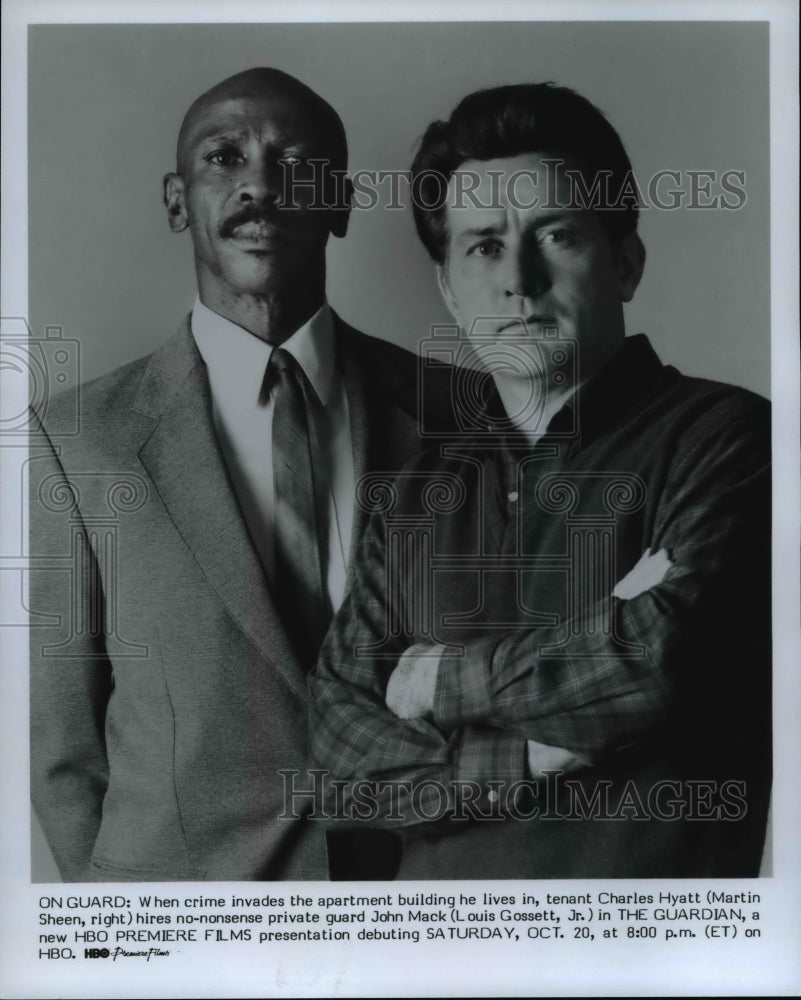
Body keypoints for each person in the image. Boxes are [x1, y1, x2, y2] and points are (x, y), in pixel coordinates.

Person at [309, 83, 771, 879]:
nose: (518, 279)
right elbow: (340, 757)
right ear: (452, 292)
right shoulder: (416, 492)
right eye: (483, 246)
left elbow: (660, 661)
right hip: (434, 959)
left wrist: (436, 679)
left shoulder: (728, 438)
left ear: (624, 263)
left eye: (554, 235)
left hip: (645, 958)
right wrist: (521, 760)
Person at [29, 67, 453, 881]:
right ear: (176, 200)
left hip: (415, 912)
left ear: (341, 202)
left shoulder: (461, 416)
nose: (260, 184)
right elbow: (62, 748)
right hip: (183, 930)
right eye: (223, 157)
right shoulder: (75, 441)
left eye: (295, 164)